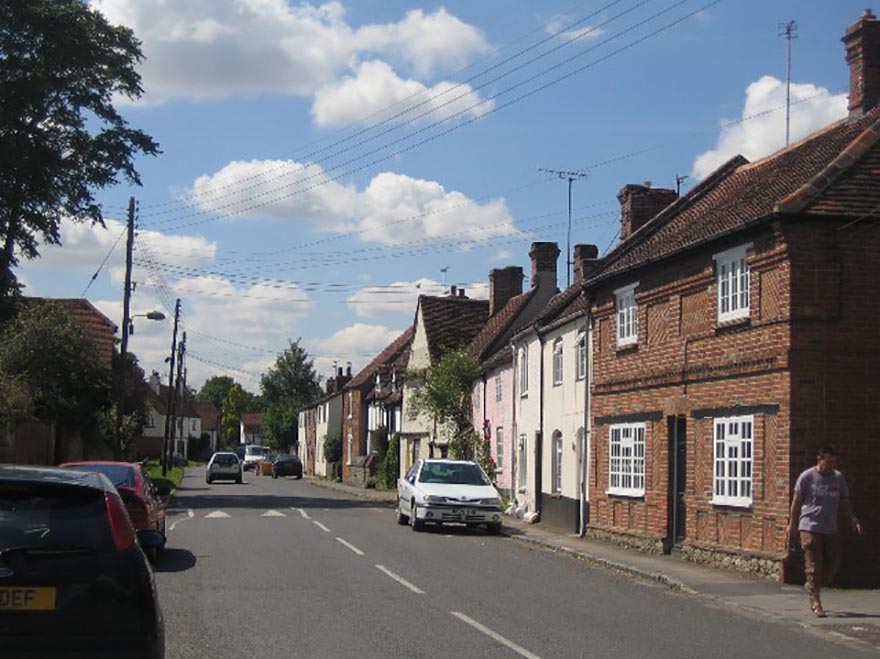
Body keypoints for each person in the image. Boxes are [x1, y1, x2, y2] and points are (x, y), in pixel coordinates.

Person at [787, 445, 863, 617]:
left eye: (834, 462)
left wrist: (852, 519)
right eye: (828, 461)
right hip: (809, 526)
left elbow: (844, 501)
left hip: (830, 528)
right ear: (819, 460)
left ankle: (813, 585)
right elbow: (796, 501)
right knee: (814, 566)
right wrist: (792, 524)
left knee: (833, 564)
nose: (831, 465)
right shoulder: (807, 477)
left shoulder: (838, 478)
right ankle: (816, 602)